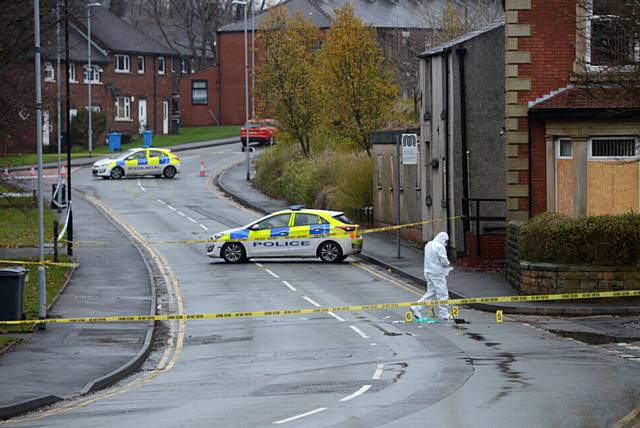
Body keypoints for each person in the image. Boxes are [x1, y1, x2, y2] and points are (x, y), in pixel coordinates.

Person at [411, 232, 453, 321]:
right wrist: (448, 264)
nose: (445, 244)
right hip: (437, 273)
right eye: (445, 241)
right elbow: (443, 261)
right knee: (443, 294)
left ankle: (416, 307)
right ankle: (444, 314)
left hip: (428, 272)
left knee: (431, 293)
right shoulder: (440, 247)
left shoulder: (428, 245)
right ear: (443, 239)